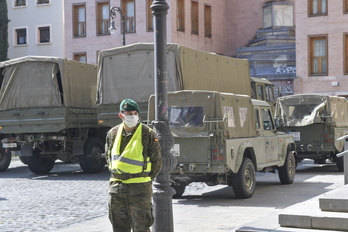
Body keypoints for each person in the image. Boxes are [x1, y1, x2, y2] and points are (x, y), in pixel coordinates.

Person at [105, 99, 162, 232]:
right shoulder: (112, 134)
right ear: (121, 115)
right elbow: (109, 158)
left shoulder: (147, 133)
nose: (132, 116)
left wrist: (144, 177)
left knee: (141, 227)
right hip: (117, 188)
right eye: (128, 113)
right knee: (119, 227)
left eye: (134, 113)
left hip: (140, 188)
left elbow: (157, 162)